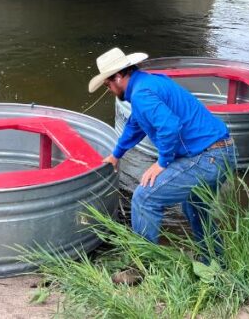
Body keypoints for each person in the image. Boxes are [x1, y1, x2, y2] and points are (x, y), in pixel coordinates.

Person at [89, 48, 236, 254]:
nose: (109, 90)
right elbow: (135, 125)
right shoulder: (148, 83)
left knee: (144, 198)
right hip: (223, 151)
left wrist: (162, 162)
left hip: (207, 157)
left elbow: (170, 127)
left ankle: (144, 262)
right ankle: (215, 262)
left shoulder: (141, 94)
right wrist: (116, 155)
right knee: (195, 208)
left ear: (119, 76)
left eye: (108, 85)